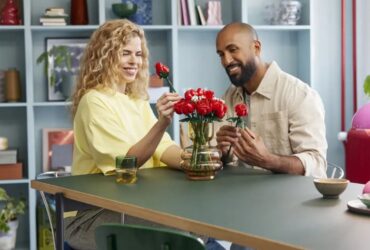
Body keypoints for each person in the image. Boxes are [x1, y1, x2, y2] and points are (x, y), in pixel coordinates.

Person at [65, 19, 182, 249]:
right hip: (92, 216)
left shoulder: (136, 101)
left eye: (138, 54)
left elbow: (164, 148)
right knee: (181, 230)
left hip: (135, 205)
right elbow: (127, 163)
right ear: (105, 55)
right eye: (125, 53)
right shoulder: (94, 102)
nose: (134, 61)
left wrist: (197, 160)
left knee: (194, 224)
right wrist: (162, 123)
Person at [215, 22, 327, 179]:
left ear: (256, 48)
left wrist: (268, 160)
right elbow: (226, 160)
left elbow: (316, 164)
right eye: (221, 54)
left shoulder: (300, 95)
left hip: (289, 200)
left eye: (233, 50)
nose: (226, 61)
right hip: (240, 196)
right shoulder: (229, 97)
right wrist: (223, 151)